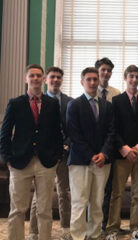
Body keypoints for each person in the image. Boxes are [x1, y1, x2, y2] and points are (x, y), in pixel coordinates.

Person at [0, 64, 63, 240]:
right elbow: (4, 133)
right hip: (19, 162)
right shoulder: (15, 103)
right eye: (32, 75)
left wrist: (58, 156)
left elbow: (57, 133)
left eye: (39, 76)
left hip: (46, 163)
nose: (35, 78)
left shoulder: (52, 104)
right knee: (17, 210)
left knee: (44, 210)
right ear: (26, 79)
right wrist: (7, 159)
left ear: (44, 80)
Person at [66, 67, 115, 240]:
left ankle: (94, 235)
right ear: (82, 82)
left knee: (97, 202)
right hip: (80, 161)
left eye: (95, 79)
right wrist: (91, 155)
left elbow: (112, 132)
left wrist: (103, 154)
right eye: (89, 79)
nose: (93, 82)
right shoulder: (74, 105)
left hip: (103, 162)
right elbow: (74, 134)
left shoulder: (107, 106)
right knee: (80, 202)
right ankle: (78, 236)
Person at [105, 65, 138, 240]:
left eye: (137, 77)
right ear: (125, 78)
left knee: (137, 194)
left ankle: (135, 228)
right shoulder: (116, 101)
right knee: (116, 193)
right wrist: (125, 149)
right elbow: (113, 128)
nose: (134, 80)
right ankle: (112, 229)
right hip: (122, 154)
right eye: (131, 76)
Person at [29, 67, 73, 240]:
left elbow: (73, 128)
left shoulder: (70, 101)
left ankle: (66, 229)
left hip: (63, 154)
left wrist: (66, 146)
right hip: (44, 155)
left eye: (59, 77)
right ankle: (33, 231)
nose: (55, 80)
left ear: (62, 80)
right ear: (46, 80)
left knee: (64, 193)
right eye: (52, 77)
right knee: (39, 195)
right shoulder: (38, 100)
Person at [94, 57, 122, 232]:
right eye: (103, 69)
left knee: (107, 190)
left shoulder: (116, 93)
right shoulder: (88, 90)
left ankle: (104, 225)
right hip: (91, 149)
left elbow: (118, 123)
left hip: (110, 148)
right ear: (97, 71)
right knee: (91, 191)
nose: (106, 73)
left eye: (109, 70)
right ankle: (92, 225)